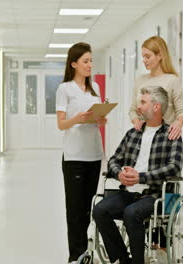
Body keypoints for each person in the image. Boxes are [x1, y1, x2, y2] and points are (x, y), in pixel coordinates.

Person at [93, 86, 183, 264]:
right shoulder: (133, 133)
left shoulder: (171, 135)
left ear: (156, 107)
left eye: (143, 102)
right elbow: (114, 159)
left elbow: (174, 167)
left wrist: (141, 177)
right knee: (99, 210)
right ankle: (124, 259)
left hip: (152, 195)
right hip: (127, 191)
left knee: (130, 213)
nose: (138, 107)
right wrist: (119, 174)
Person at [56, 42, 107, 264]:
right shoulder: (64, 89)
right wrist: (79, 118)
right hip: (74, 156)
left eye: (91, 60)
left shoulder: (94, 87)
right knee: (74, 209)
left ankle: (85, 251)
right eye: (85, 61)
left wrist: (100, 118)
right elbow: (61, 124)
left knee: (88, 208)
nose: (90, 65)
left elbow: (100, 121)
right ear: (74, 63)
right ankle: (75, 255)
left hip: (94, 155)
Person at [130, 36, 183, 140]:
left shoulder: (172, 80)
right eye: (143, 56)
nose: (144, 60)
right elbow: (132, 110)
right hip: (142, 137)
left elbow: (181, 111)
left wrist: (178, 124)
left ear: (160, 55)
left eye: (147, 56)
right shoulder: (140, 80)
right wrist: (136, 122)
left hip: (165, 138)